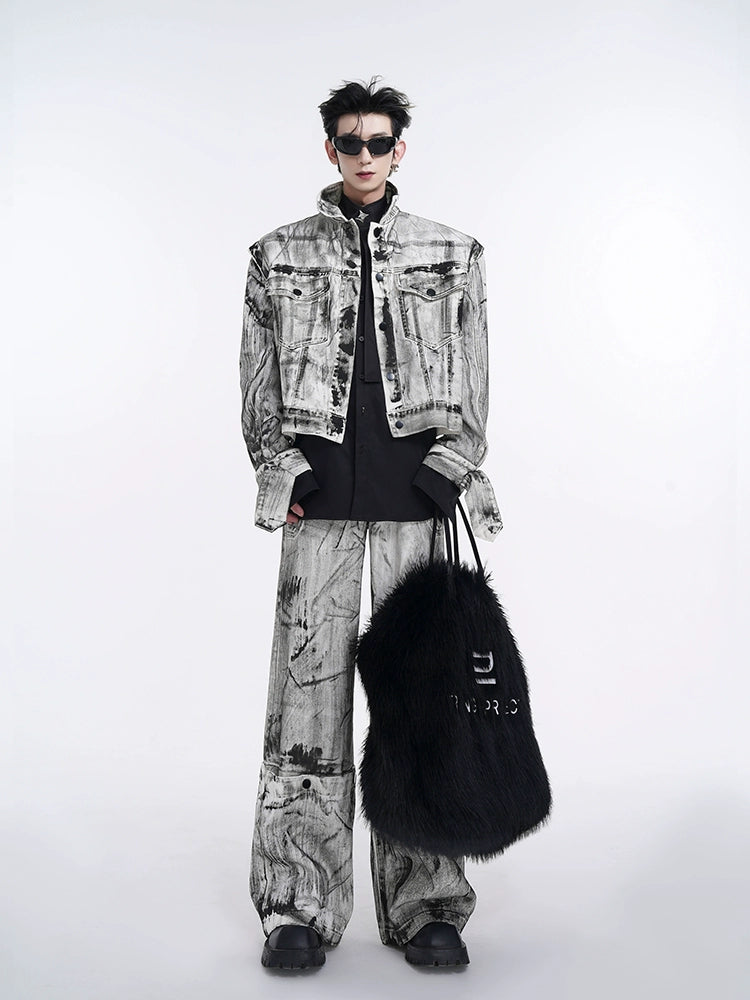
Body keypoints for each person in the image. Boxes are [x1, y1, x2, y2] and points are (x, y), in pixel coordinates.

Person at [239, 77, 503, 971]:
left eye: (377, 142)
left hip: (416, 512)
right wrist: (281, 468)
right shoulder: (276, 255)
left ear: (399, 150)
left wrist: (446, 471)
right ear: (331, 149)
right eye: (349, 141)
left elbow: (474, 379)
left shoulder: (452, 252)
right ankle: (297, 907)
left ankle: (427, 904)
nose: (363, 155)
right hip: (316, 515)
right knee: (304, 713)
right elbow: (257, 382)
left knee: (421, 704)